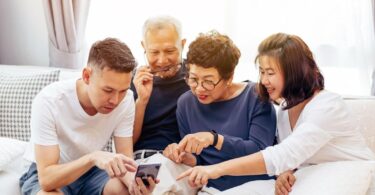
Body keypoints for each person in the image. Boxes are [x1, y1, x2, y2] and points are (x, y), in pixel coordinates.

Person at [176, 33, 375, 195]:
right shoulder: (284, 109)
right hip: (313, 176)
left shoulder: (327, 107)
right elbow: (297, 154)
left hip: (353, 175)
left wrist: (215, 169)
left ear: (294, 72)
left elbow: (284, 154)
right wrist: (288, 171)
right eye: (261, 72)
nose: (263, 81)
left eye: (270, 73)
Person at [19, 38, 144, 195]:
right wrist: (92, 158)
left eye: (123, 90)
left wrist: (134, 183)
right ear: (86, 76)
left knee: (124, 190)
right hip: (50, 172)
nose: (115, 100)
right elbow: (47, 179)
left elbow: (126, 158)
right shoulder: (49, 101)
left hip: (92, 173)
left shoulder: (126, 100)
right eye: (108, 90)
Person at [163, 31, 277, 194]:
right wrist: (185, 156)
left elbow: (260, 153)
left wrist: (214, 139)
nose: (199, 88)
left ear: (229, 77)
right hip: (211, 188)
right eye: (193, 79)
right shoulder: (186, 103)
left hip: (256, 186)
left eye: (208, 81)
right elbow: (200, 160)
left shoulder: (256, 96)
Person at [130, 15, 191, 194]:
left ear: (183, 44)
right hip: (139, 161)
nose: (162, 61)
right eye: (154, 52)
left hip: (174, 162)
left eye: (170, 51)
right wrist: (141, 101)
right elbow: (127, 141)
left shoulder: (196, 79)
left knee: (154, 184)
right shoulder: (133, 81)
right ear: (143, 47)